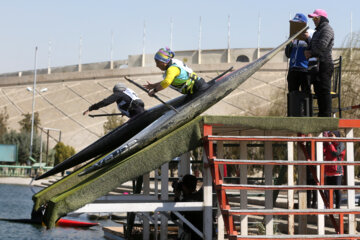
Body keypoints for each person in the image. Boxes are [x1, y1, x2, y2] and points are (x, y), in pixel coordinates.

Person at [304, 9, 335, 117]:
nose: (313, 20)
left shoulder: (327, 29)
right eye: (313, 18)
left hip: (325, 64)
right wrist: (309, 50)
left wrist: (310, 52)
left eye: (315, 18)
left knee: (324, 92)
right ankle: (321, 116)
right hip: (317, 65)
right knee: (318, 91)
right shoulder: (317, 31)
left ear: (321, 18)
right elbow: (311, 45)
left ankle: (326, 117)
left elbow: (321, 47)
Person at [144, 47, 209, 97]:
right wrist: (153, 86)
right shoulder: (172, 65)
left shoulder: (172, 69)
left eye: (157, 62)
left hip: (199, 88)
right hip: (193, 90)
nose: (157, 65)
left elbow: (167, 82)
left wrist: (155, 91)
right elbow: (167, 81)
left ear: (164, 62)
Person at [285, 13, 314, 96]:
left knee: (306, 94)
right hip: (293, 69)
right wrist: (290, 43)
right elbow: (288, 54)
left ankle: (305, 109)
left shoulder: (311, 33)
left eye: (298, 23)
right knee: (292, 94)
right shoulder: (292, 36)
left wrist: (307, 39)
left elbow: (315, 49)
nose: (295, 25)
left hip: (304, 69)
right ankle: (294, 109)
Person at [171, 174, 203, 240]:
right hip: (204, 233)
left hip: (195, 236)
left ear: (184, 187)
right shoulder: (200, 196)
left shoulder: (187, 200)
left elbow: (173, 216)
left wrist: (177, 197)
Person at [324, 130, 346, 209]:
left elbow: (335, 153)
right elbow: (323, 152)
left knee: (337, 190)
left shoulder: (341, 144)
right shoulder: (329, 144)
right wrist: (325, 142)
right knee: (327, 191)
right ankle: (329, 206)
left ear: (336, 136)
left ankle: (337, 207)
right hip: (328, 170)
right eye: (329, 135)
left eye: (332, 135)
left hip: (337, 171)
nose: (330, 137)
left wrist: (329, 143)